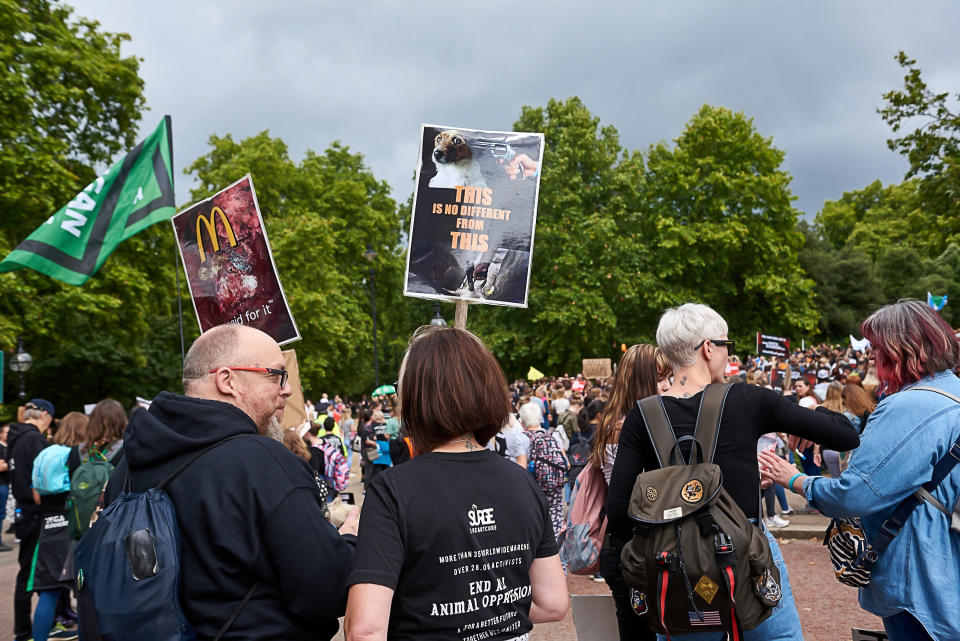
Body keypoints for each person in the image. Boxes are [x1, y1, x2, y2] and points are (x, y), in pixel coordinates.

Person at [607, 303, 859, 641]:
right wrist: (814, 408)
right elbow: (845, 434)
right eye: (727, 346)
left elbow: (619, 512)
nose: (728, 355)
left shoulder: (642, 415)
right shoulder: (747, 399)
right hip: (743, 552)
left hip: (673, 560)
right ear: (708, 348)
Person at [101, 324, 358, 640]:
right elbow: (327, 591)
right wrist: (348, 542)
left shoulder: (124, 468)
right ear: (227, 380)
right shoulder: (263, 463)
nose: (287, 389)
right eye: (276, 375)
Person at [344, 326, 568, 640]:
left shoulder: (393, 491)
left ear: (413, 397)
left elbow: (365, 630)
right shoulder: (522, 481)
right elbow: (553, 603)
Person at [760, 300, 960, 641]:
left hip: (921, 576)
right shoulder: (951, 391)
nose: (871, 358)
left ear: (898, 351)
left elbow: (855, 494)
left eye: (875, 349)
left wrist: (794, 479)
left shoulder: (911, 403)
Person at [590, 343, 670, 641]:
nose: (667, 385)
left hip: (629, 545)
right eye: (661, 378)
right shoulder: (627, 428)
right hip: (632, 545)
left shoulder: (616, 422)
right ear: (643, 382)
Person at [7, 398, 58, 641]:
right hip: (36, 511)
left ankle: (25, 628)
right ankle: (25, 631)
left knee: (28, 572)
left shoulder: (16, 436)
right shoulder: (34, 438)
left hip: (24, 510)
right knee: (32, 574)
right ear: (45, 415)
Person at [0, 424, 13, 552]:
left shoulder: (7, 448)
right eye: (6, 432)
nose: (9, 435)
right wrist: (13, 463)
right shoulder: (1, 448)